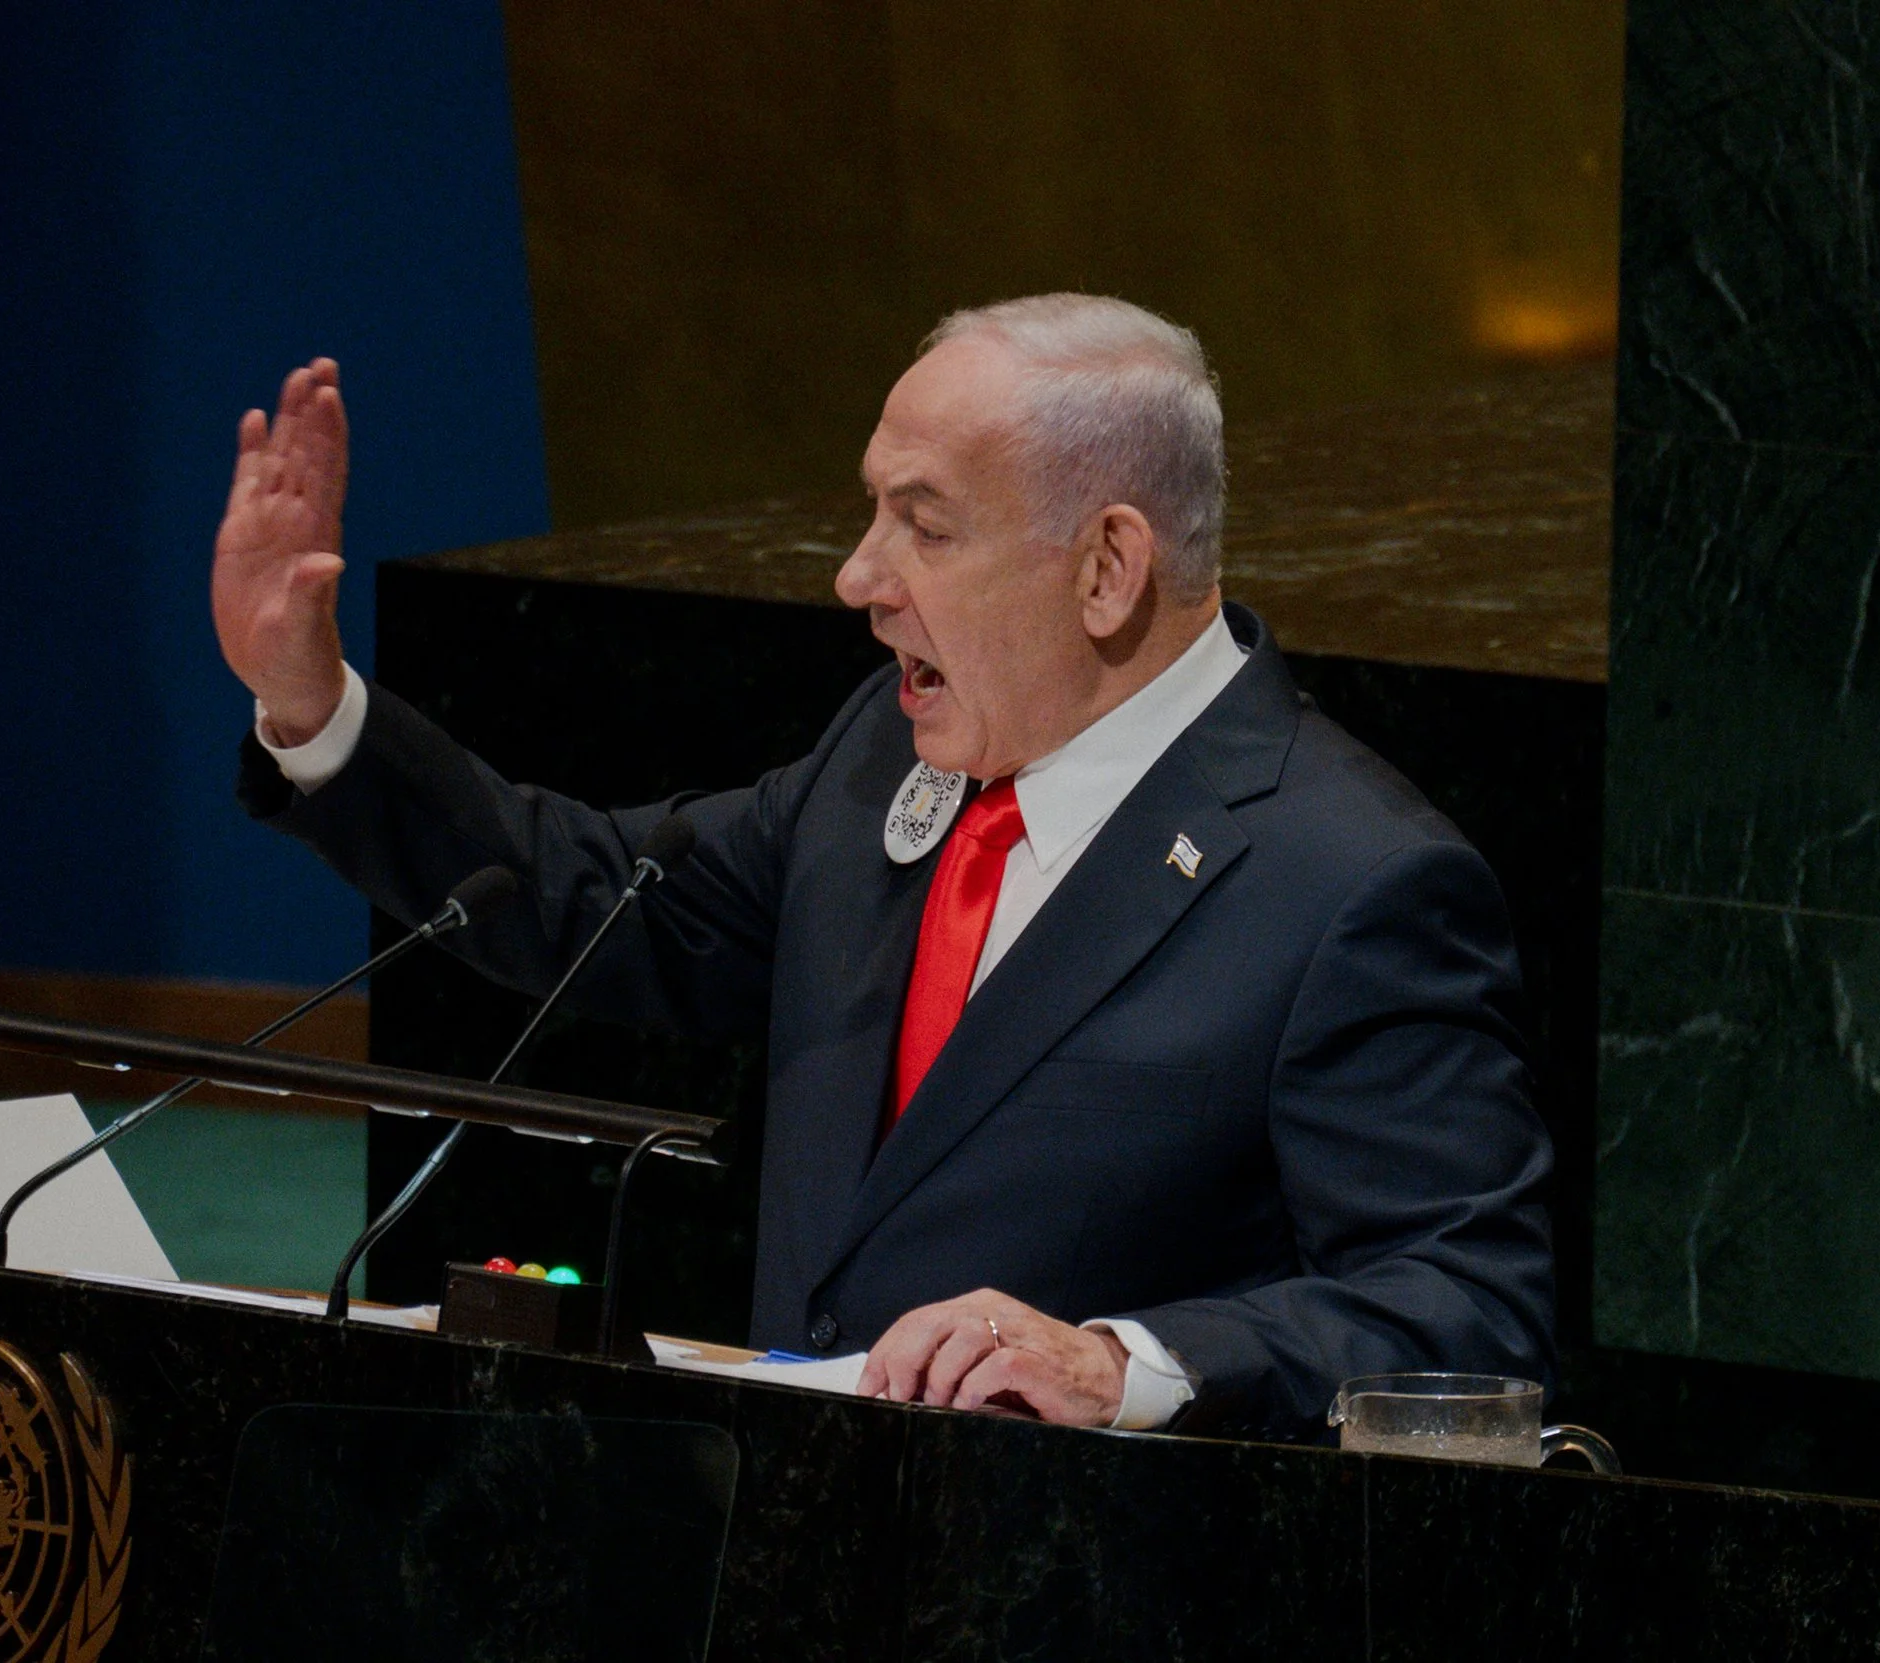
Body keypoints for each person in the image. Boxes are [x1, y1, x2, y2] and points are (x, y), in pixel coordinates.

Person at [213, 294, 1554, 1441]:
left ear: (1106, 568)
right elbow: (590, 899)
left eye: (924, 522)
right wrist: (314, 706)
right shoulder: (882, 756)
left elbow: (1466, 1308)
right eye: (873, 511)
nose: (860, 577)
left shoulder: (1350, 882)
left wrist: (1121, 1363)